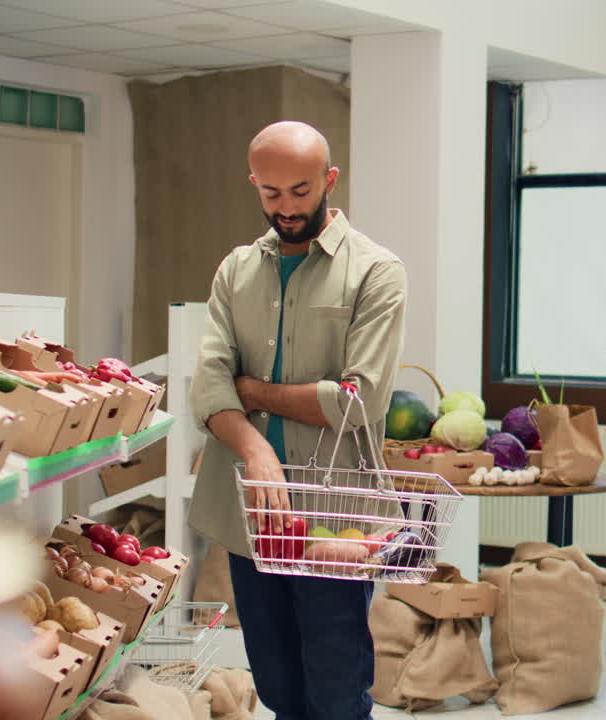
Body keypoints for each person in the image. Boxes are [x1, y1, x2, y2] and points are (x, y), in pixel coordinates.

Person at [187, 120, 408, 720]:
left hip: (335, 517)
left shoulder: (376, 272)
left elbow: (357, 400)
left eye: (302, 192)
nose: (286, 208)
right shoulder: (235, 271)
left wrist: (254, 390)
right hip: (251, 512)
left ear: (330, 180)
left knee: (336, 693)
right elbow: (207, 387)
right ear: (254, 184)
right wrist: (256, 450)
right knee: (280, 688)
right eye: (271, 193)